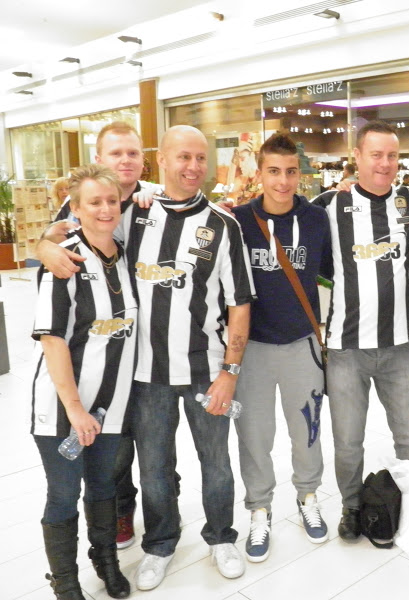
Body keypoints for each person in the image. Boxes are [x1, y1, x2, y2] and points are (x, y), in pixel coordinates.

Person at [39, 126, 255, 590]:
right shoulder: (130, 214)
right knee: (154, 468)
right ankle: (160, 543)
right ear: (164, 161)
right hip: (143, 374)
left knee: (216, 462)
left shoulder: (223, 225)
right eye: (183, 157)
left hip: (205, 371)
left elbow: (239, 304)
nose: (192, 166)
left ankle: (221, 536)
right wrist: (42, 246)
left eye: (200, 158)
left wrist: (230, 373)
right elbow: (70, 230)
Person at [44, 121, 169, 551]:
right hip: (102, 349)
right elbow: (50, 240)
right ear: (99, 158)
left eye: (133, 153)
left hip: (150, 348)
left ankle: (164, 517)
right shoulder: (79, 202)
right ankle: (121, 509)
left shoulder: (155, 196)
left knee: (155, 445)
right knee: (115, 450)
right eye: (116, 153)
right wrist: (44, 248)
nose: (126, 161)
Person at [313, 121, 409, 541]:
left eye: (392, 156)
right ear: (358, 157)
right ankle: (350, 507)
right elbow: (284, 219)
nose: (385, 163)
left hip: (399, 345)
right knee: (348, 442)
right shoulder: (329, 204)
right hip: (345, 349)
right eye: (376, 155)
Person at [32, 165, 138, 600]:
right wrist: (75, 409)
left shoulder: (126, 256)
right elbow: (53, 340)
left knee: (103, 487)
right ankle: (65, 581)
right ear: (75, 209)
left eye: (112, 201)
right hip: (62, 407)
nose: (105, 209)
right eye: (94, 202)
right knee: (63, 493)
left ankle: (106, 561)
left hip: (111, 405)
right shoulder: (64, 260)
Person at [231, 132, 333, 562]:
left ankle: (308, 496)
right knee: (254, 435)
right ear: (259, 173)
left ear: (299, 174)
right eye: (273, 171)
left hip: (301, 342)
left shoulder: (316, 220)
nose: (282, 181)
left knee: (307, 429)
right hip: (252, 347)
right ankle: (259, 508)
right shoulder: (237, 221)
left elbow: (331, 272)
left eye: (290, 172)